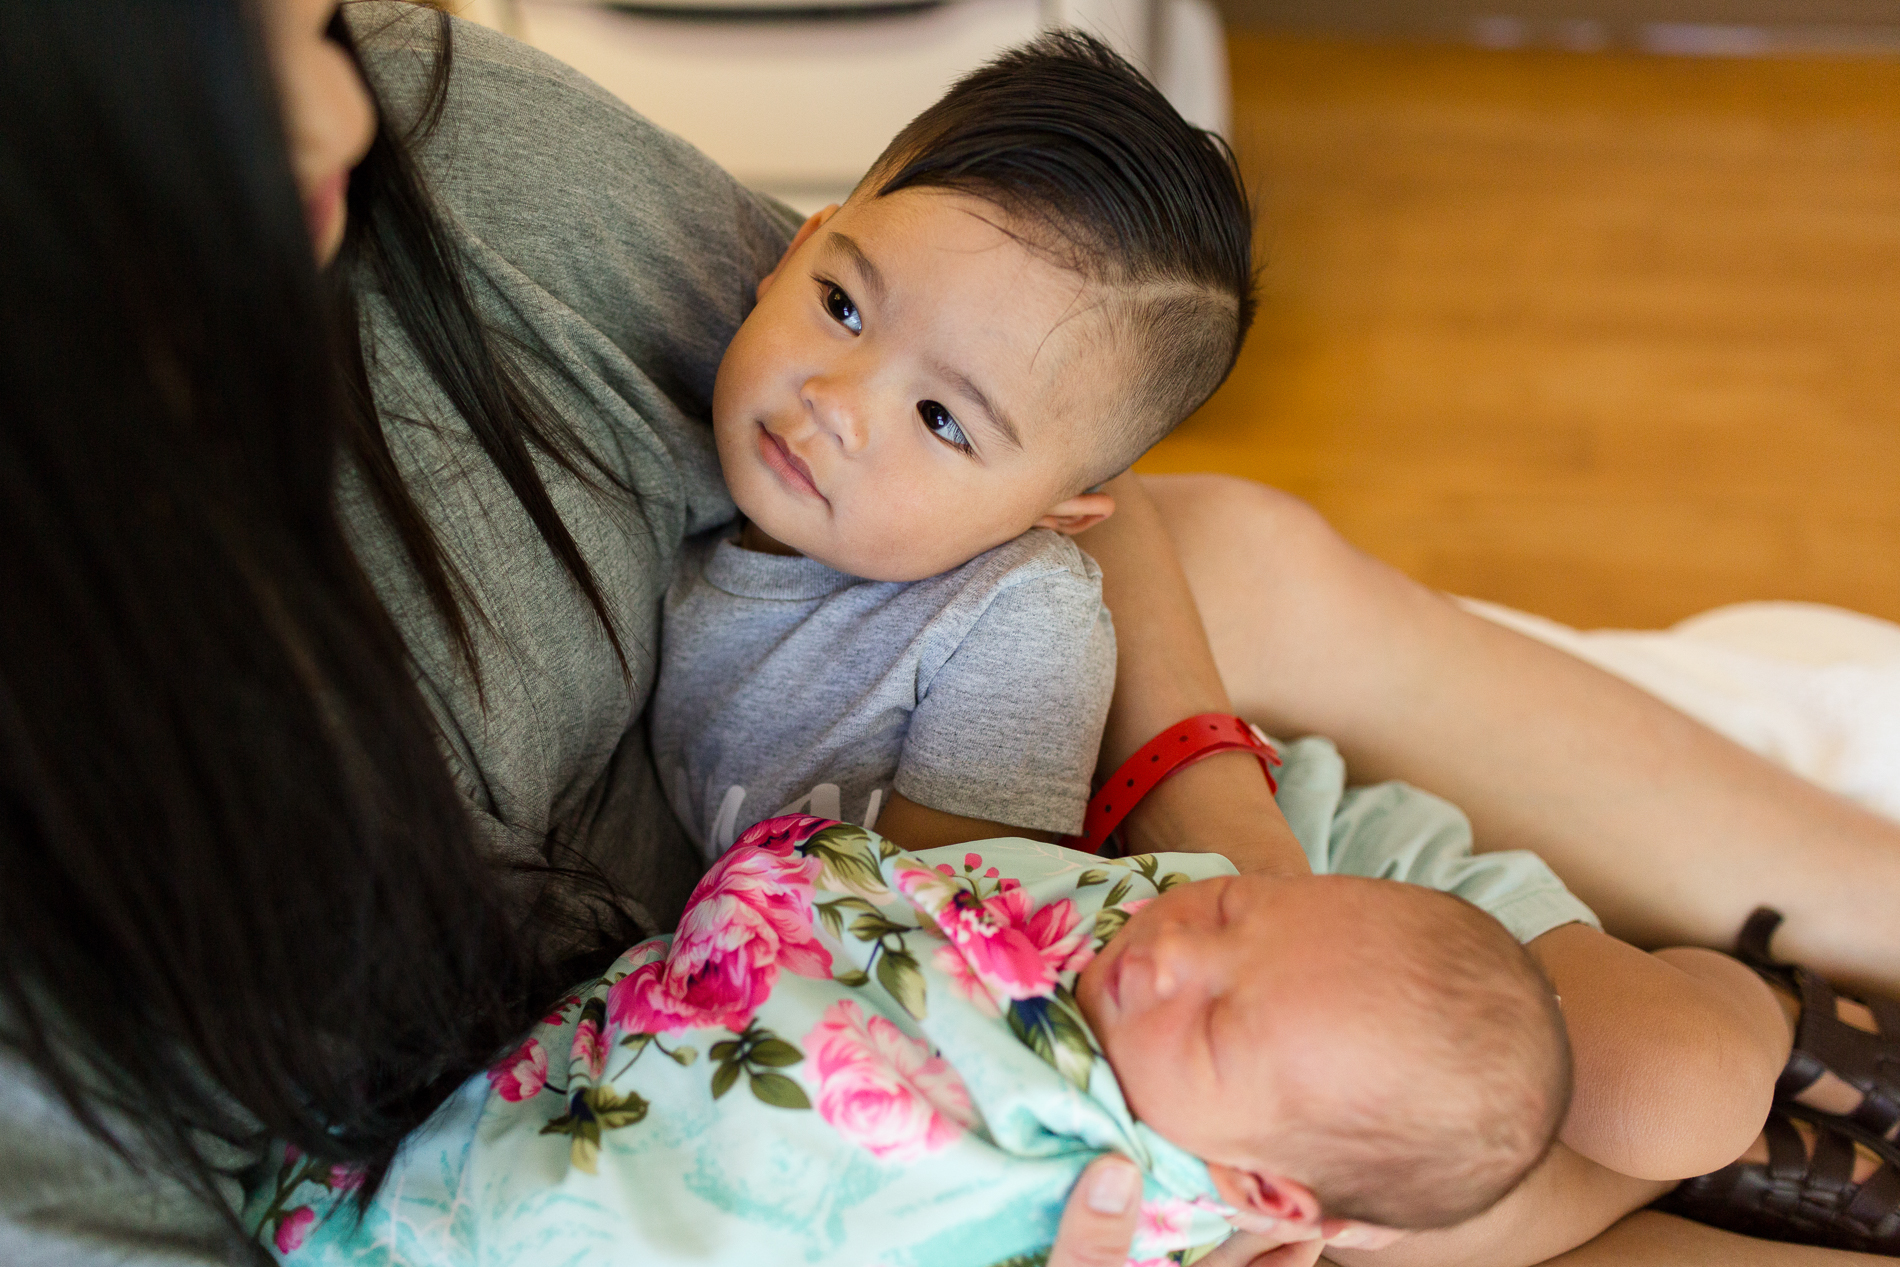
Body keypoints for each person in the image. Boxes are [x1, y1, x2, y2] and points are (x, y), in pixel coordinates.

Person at [1, 2, 1894, 1265]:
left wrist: (1209, 831)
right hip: (841, 1114)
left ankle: (1792, 1021)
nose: (350, 83)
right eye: (257, 47)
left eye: (323, 13)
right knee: (1533, 1120)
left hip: (1139, 921)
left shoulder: (435, 168)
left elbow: (1020, 807)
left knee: (1622, 1061)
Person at [256, 820, 1570, 1266]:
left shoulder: (1112, 1199)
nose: (1171, 957)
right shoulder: (1115, 929)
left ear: (1262, 1192)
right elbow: (876, 891)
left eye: (1218, 1020)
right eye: (1233, 911)